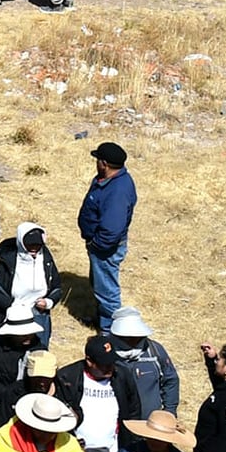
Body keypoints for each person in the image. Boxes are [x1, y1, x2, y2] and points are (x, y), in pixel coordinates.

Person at [77, 140, 137, 329]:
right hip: (100, 245)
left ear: (104, 163)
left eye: (98, 160)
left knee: (108, 293)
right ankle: (102, 320)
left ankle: (110, 332)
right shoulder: (107, 179)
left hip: (105, 248)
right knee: (100, 286)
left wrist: (96, 245)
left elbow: (112, 229)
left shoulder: (118, 191)